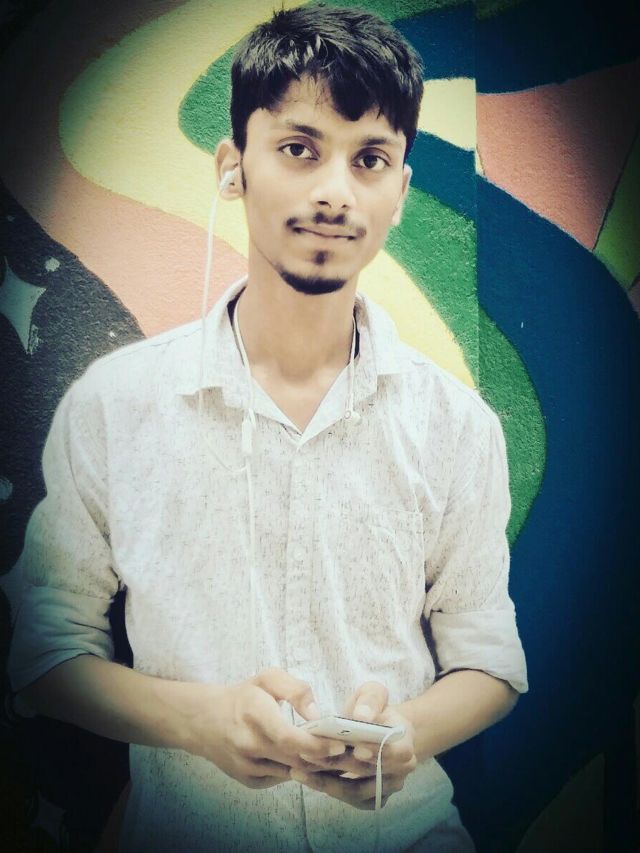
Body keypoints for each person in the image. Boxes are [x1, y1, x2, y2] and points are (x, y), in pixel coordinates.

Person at [8, 5, 528, 851]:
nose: (335, 191)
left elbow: (490, 659)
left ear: (400, 191)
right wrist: (200, 719)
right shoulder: (115, 405)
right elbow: (44, 653)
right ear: (233, 167)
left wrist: (407, 734)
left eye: (370, 159)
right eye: (299, 148)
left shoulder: (457, 426)